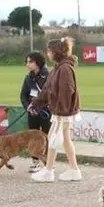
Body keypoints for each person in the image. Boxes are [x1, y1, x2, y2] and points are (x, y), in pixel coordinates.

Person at [28, 37, 82, 182]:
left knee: (53, 139)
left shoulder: (64, 68)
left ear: (55, 52)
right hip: (62, 111)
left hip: (62, 112)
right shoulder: (59, 68)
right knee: (64, 139)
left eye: (49, 50)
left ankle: (49, 170)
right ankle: (73, 169)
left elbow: (66, 90)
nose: (47, 53)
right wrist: (35, 103)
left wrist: (61, 111)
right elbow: (47, 90)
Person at [20, 51, 51, 173]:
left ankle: (48, 163)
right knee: (33, 137)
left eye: (30, 62)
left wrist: (44, 105)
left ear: (37, 62)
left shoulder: (48, 75)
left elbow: (51, 94)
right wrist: (27, 106)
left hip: (45, 111)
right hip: (32, 112)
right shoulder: (28, 78)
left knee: (47, 137)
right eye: (27, 62)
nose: (27, 64)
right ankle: (35, 162)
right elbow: (23, 95)